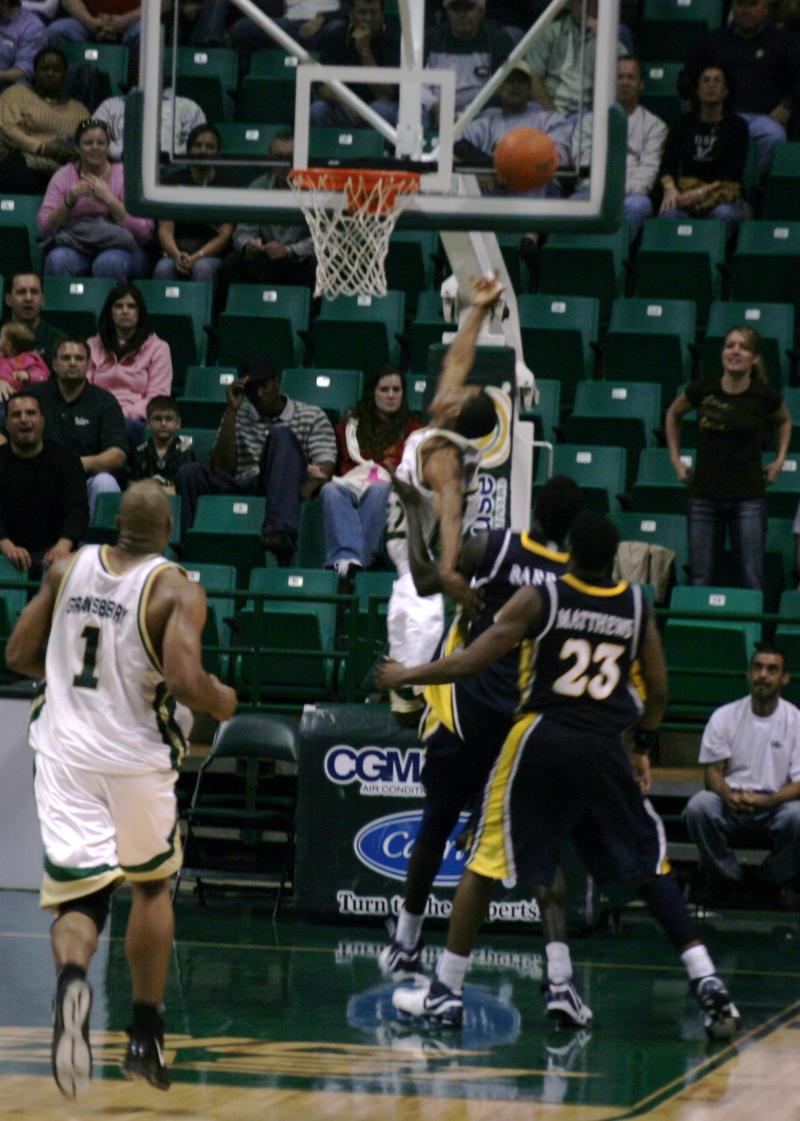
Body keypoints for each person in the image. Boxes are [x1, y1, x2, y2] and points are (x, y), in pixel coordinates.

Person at [376, 511, 740, 1043]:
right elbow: (659, 693)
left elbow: (474, 659)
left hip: (541, 739)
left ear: (570, 553)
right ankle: (707, 980)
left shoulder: (542, 597)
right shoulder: (637, 604)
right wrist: (642, 746)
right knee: (648, 865)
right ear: (614, 558)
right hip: (604, 746)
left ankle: (445, 992)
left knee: (483, 863)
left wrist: (407, 673)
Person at [5, 480, 237, 1099]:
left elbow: (19, 653)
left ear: (115, 524)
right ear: (169, 529)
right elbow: (186, 682)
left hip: (65, 753)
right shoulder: (176, 588)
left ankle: (70, 984)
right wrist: (223, 698)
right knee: (151, 886)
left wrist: (73, 675)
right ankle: (145, 1034)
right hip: (135, 757)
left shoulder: (66, 568)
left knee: (80, 898)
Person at [378, 475, 592, 1032]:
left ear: (534, 510)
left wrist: (415, 513)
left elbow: (424, 576)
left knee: (436, 822)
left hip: (467, 711)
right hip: (526, 724)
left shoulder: (494, 547)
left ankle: (407, 942)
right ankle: (560, 978)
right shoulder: (572, 579)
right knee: (541, 846)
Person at [384, 272, 503, 720]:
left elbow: (450, 512)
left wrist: (449, 570)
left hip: (431, 541)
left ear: (453, 410)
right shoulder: (443, 420)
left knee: (422, 601)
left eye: (460, 392)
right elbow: (458, 357)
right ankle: (414, 683)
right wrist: (480, 310)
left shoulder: (444, 460)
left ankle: (411, 688)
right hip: (412, 530)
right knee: (414, 597)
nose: (454, 385)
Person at [664, 326, 791, 590]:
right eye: (730, 345)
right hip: (704, 497)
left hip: (748, 499)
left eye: (743, 347)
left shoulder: (764, 396)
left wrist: (779, 460)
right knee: (700, 579)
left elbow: (784, 421)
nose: (735, 351)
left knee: (752, 578)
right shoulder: (703, 389)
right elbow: (673, 414)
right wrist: (675, 460)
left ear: (755, 358)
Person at [175, 358, 337, 562]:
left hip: (282, 487)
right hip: (244, 481)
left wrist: (303, 490)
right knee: (189, 472)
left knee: (281, 435)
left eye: (264, 386)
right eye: (252, 388)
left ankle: (280, 534)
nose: (259, 394)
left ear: (277, 382)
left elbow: (325, 466)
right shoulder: (237, 413)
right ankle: (190, 545)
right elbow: (222, 467)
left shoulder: (312, 415)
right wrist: (231, 411)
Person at [684, 643, 800, 908]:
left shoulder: (796, 721)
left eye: (772, 669)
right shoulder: (724, 716)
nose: (763, 675)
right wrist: (728, 795)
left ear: (784, 678)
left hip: (775, 805)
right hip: (731, 802)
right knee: (699, 806)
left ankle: (773, 881)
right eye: (757, 668)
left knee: (798, 815)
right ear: (748, 674)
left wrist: (767, 801)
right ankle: (726, 878)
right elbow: (713, 773)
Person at [320, 366, 421, 582]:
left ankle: (354, 563)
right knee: (329, 490)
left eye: (396, 389)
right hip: (351, 483)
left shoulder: (414, 430)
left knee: (378, 490)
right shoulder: (349, 426)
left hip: (392, 488)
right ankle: (351, 559)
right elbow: (334, 462)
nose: (391, 395)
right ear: (372, 392)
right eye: (384, 390)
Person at [678, 0, 800, 174]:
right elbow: (686, 77)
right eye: (740, 5)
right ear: (732, 8)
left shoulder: (784, 41)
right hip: (719, 116)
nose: (745, 10)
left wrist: (788, 104)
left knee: (774, 135)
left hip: (763, 119)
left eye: (752, 5)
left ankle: (753, 184)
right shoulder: (715, 40)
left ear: (765, 7)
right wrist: (693, 97)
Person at [37, 118, 154, 282]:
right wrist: (69, 202)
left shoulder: (125, 175)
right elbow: (44, 228)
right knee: (57, 260)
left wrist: (110, 200)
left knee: (107, 263)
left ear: (108, 147)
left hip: (123, 248)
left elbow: (144, 231)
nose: (95, 147)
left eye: (101, 143)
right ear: (77, 147)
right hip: (77, 245)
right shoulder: (63, 175)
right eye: (88, 143)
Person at [572, 56, 667, 243]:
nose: (625, 82)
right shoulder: (589, 122)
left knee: (638, 206)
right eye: (619, 77)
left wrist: (616, 191)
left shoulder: (655, 126)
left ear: (641, 84)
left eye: (631, 77)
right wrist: (603, 190)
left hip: (632, 196)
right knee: (573, 203)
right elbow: (582, 162)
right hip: (591, 192)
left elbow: (648, 174)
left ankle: (613, 252)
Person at [216, 133, 315, 312]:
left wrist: (289, 251)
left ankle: (307, 322)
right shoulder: (258, 186)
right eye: (279, 158)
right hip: (266, 255)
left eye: (290, 157)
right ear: (270, 159)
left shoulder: (315, 188)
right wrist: (248, 245)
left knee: (316, 266)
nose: (285, 164)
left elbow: (321, 239)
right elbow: (243, 231)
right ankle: (232, 318)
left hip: (300, 257)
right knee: (232, 263)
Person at [30, 336, 127, 518]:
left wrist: (77, 464)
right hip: (37, 475)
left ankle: (98, 536)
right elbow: (4, 435)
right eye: (66, 358)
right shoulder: (34, 395)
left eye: (79, 358)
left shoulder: (104, 401)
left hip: (85, 480)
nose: (73, 363)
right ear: (54, 363)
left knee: (105, 482)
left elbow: (117, 455)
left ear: (88, 364)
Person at [0, 391, 87, 576]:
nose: (24, 419)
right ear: (6, 423)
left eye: (31, 413)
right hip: (4, 551)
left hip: (54, 551)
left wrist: (63, 546)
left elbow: (77, 511)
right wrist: (6, 546)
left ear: (42, 420)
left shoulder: (67, 460)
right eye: (16, 415)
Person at [453, 61, 572, 196]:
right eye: (509, 80)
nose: (516, 85)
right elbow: (454, 144)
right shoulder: (486, 123)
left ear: (529, 89)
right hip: (489, 203)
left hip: (533, 201)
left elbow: (555, 159)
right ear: (498, 87)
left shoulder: (549, 121)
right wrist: (477, 168)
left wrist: (504, 170)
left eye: (521, 81)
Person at [658, 65, 750, 237]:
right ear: (697, 90)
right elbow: (667, 166)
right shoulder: (683, 124)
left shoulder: (737, 126)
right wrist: (670, 189)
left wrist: (700, 193)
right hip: (687, 194)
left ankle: (708, 253)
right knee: (669, 213)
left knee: (724, 215)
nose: (711, 85)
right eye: (706, 80)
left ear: (725, 91)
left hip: (724, 196)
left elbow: (733, 175)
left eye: (717, 81)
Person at [87, 283, 173, 441]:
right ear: (110, 312)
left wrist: (120, 414)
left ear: (140, 312)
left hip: (135, 421)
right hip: (96, 416)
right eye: (119, 306)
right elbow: (84, 387)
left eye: (131, 306)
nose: (125, 311)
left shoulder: (159, 348)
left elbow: (157, 399)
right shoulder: (92, 345)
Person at [0, 46, 88, 194]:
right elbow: (6, 129)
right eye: (44, 69)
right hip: (22, 163)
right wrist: (42, 147)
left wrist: (66, 150)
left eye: (56, 70)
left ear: (65, 75)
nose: (50, 74)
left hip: (63, 168)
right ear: (35, 72)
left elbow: (88, 141)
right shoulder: (16, 95)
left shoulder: (79, 110)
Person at [155, 124, 235, 284]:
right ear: (188, 150)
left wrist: (197, 256)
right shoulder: (172, 182)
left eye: (210, 147)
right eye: (197, 145)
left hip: (212, 253)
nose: (203, 150)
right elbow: (165, 230)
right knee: (163, 268)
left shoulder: (229, 185)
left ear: (218, 153)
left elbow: (225, 234)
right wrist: (176, 255)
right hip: (178, 249)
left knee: (202, 268)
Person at [526, 0, 626, 120]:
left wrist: (603, 39)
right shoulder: (549, 32)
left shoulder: (607, 39)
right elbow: (533, 77)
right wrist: (553, 116)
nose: (584, 8)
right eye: (579, 2)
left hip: (586, 114)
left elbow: (624, 72)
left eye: (589, 3)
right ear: (569, 4)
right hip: (548, 108)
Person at [421, 0, 512, 129]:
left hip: (480, 112)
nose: (461, 14)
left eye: (468, 8)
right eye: (455, 8)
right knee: (412, 112)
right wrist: (434, 105)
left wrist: (467, 112)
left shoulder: (498, 40)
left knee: (495, 114)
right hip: (436, 111)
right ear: (447, 12)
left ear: (481, 11)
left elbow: (500, 89)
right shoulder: (431, 39)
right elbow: (417, 83)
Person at [309, 0, 400, 128]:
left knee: (379, 110)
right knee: (318, 110)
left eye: (373, 12)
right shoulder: (336, 36)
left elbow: (385, 95)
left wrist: (364, 51)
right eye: (362, 12)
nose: (368, 18)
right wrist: (344, 99)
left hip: (379, 106)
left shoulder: (393, 41)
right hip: (344, 104)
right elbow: (321, 87)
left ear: (382, 15)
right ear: (351, 14)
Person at [94, 88, 205, 162]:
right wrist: (123, 154)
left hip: (173, 169)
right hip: (122, 167)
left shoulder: (188, 107)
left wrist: (171, 155)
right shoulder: (109, 105)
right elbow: (92, 135)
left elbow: (201, 142)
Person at [230, 0, 342, 58]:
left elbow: (349, 8)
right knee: (242, 29)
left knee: (336, 31)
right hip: (289, 23)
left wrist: (322, 19)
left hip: (326, 23)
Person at [130, 396, 196, 490]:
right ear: (148, 423)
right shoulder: (139, 451)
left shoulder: (186, 452)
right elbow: (132, 483)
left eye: (169, 419)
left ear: (178, 423)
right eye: (157, 419)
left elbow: (188, 486)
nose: (163, 423)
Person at [3, 271, 65, 367]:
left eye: (34, 292)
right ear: (8, 300)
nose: (28, 298)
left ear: (42, 300)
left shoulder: (59, 341)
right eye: (21, 292)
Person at [46, 0, 168, 48]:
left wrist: (123, 21)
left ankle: (137, 88)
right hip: (89, 22)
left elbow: (163, 3)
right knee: (58, 31)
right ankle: (79, 80)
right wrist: (92, 22)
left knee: (149, 32)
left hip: (132, 23)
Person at [0, 0, 47, 92]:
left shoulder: (32, 27)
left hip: (6, 87)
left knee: (21, 86)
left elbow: (22, 72)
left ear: (4, 2)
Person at [0, 322, 51, 398]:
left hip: (20, 398)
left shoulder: (29, 359)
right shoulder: (2, 356)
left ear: (8, 346)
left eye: (1, 338)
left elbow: (42, 375)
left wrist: (28, 375)